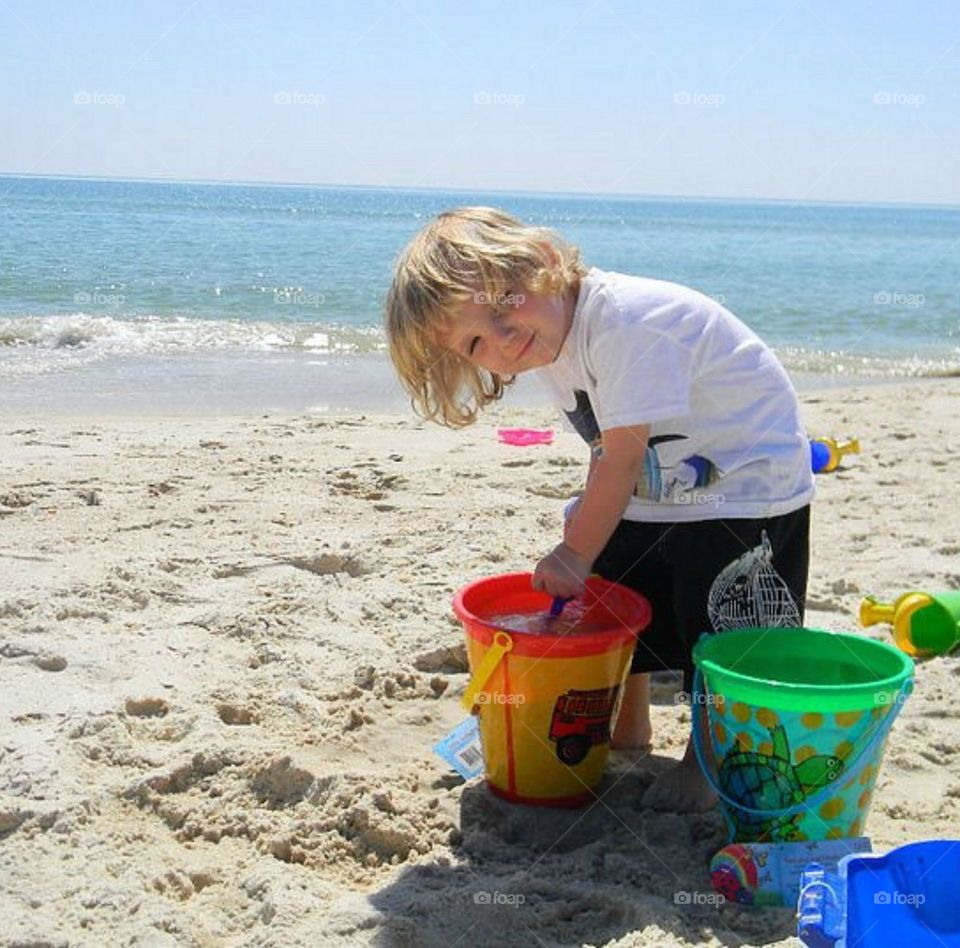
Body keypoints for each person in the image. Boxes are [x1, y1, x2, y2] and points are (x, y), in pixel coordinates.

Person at [385, 206, 813, 812]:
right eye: (476, 339)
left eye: (504, 304)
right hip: (664, 479)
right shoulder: (552, 344)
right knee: (613, 581)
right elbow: (603, 449)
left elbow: (621, 458)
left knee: (722, 624)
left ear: (546, 264)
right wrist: (585, 529)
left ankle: (708, 758)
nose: (502, 337)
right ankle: (628, 724)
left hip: (743, 483)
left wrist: (572, 550)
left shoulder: (620, 321)